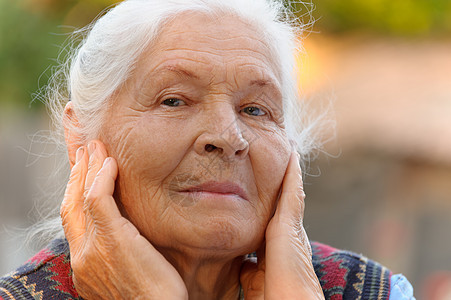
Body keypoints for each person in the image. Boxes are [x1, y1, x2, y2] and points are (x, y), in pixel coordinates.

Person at [0, 0, 415, 299]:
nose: (228, 136)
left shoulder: (374, 292)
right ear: (80, 135)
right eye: (174, 100)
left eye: (255, 109)